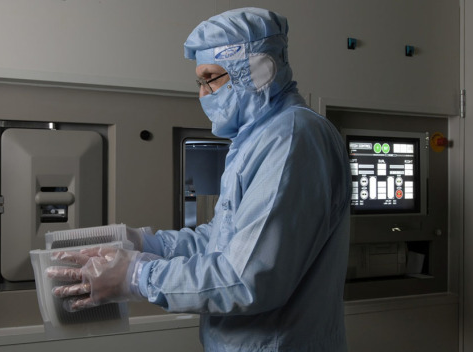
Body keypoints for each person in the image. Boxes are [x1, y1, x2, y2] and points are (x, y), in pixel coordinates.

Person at [47, 7, 351, 351]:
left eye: (212, 77)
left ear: (258, 70)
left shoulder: (292, 137)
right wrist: (149, 245)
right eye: (200, 82)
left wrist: (139, 276)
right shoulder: (257, 139)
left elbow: (246, 279)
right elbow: (225, 238)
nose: (204, 95)